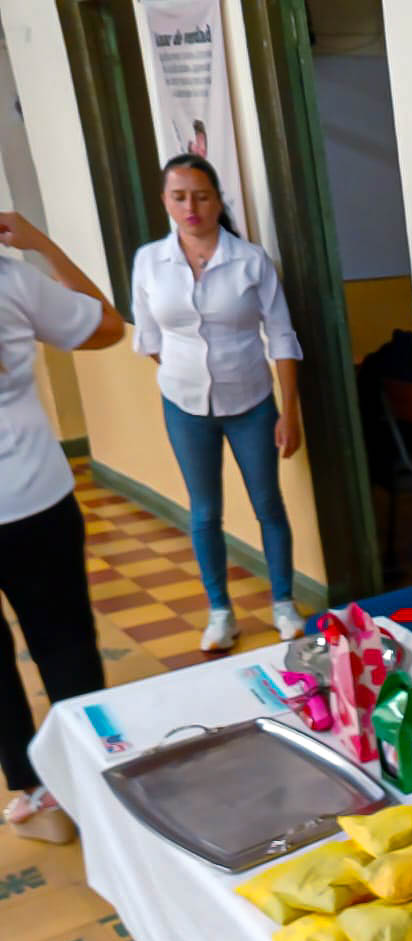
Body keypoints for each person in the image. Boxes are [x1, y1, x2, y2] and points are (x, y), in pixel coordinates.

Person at [132, 154, 305, 650]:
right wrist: (186, 371)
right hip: (184, 404)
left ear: (217, 201)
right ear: (165, 201)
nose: (191, 207)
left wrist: (289, 412)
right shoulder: (149, 261)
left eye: (202, 196)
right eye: (179, 197)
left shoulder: (250, 260)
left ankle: (284, 603)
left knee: (267, 504)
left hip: (252, 401)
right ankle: (220, 612)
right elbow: (150, 337)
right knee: (205, 512)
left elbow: (282, 337)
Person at [0, 211, 124, 819]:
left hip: (33, 500)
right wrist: (41, 244)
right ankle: (89, 778)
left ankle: (30, 787)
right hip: (34, 500)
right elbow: (106, 326)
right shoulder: (11, 279)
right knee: (65, 643)